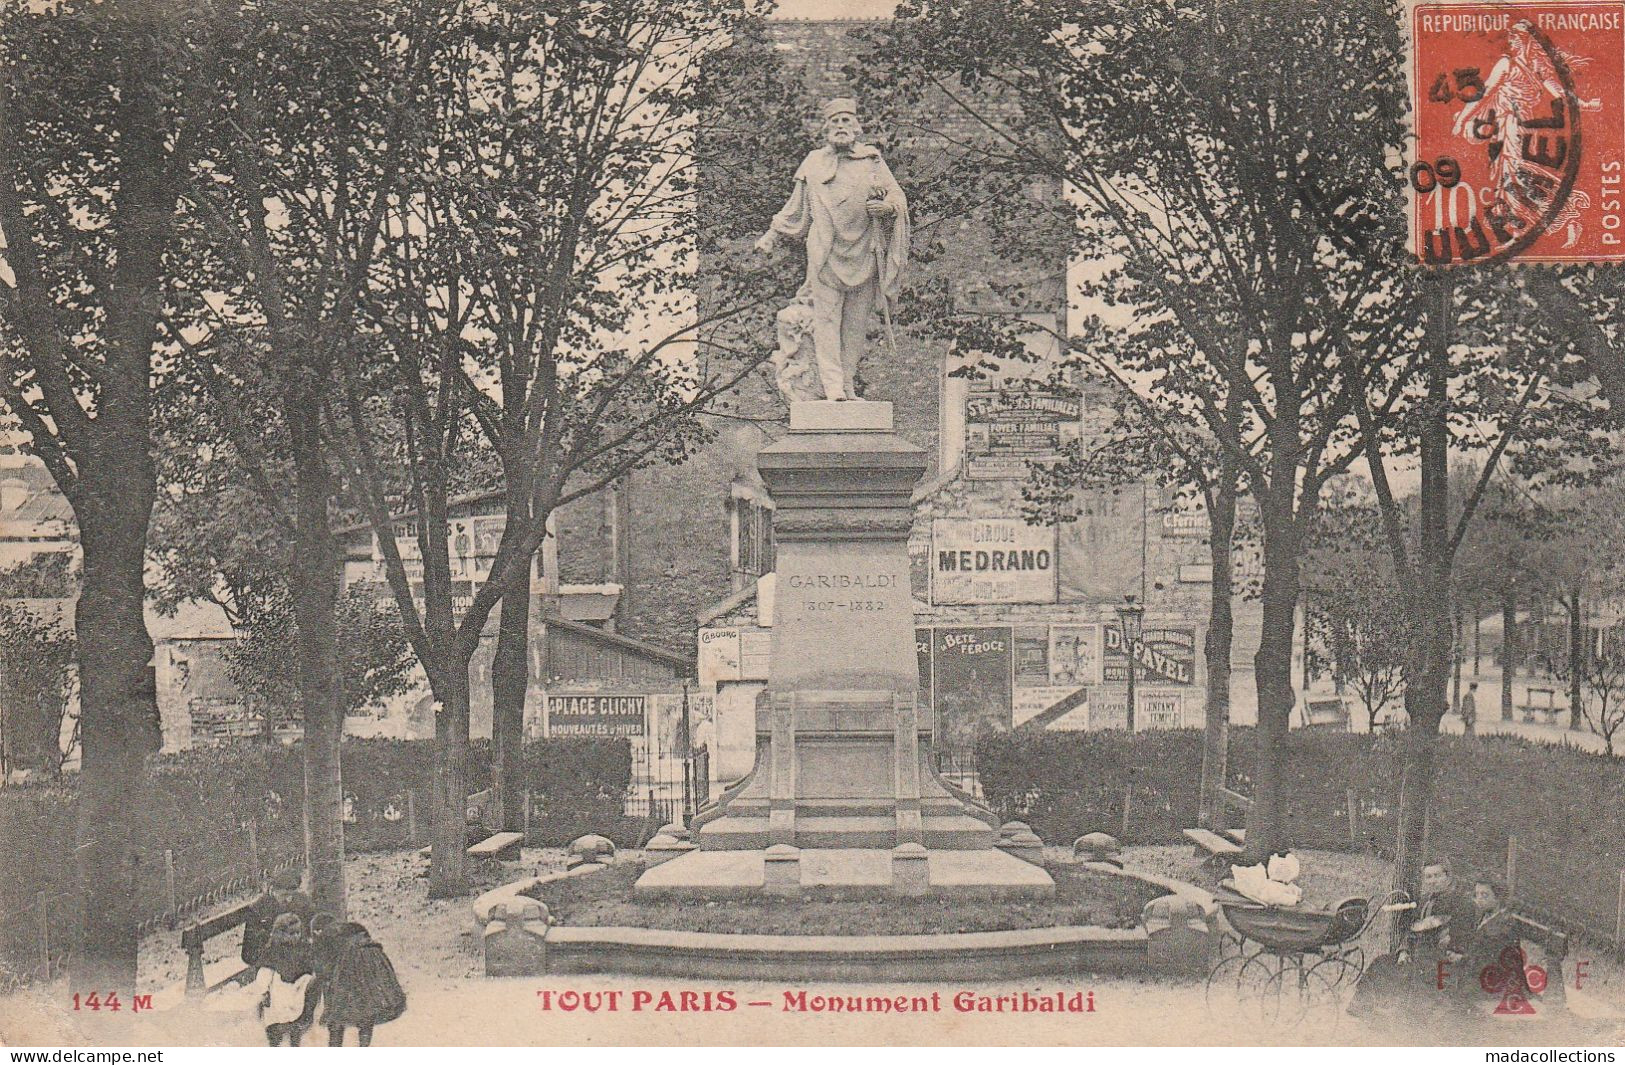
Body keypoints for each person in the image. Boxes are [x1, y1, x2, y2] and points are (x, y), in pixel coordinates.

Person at [755, 97, 910, 402]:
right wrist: (771, 234)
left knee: (854, 324)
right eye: (835, 122)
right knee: (826, 320)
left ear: (856, 127)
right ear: (826, 128)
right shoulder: (812, 163)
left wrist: (887, 207)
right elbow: (795, 208)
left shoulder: (873, 161)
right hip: (825, 252)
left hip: (865, 252)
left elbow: (898, 197)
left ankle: (848, 384)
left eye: (846, 121)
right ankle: (832, 386)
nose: (841, 127)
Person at [1348, 857, 1477, 1016]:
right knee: (1382, 963)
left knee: (1417, 973)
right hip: (1416, 955)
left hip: (1441, 958)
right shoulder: (1423, 901)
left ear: (1448, 876)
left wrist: (1451, 951)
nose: (1432, 881)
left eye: (1437, 876)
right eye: (1428, 877)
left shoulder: (1462, 903)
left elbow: (1462, 935)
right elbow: (1411, 931)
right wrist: (1403, 951)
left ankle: (1398, 1015)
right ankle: (1364, 1008)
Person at [322, 921, 407, 1047]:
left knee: (339, 1015)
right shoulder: (365, 944)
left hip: (350, 963)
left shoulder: (332, 942)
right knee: (366, 1011)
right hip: (366, 959)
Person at [1458, 877, 1529, 1013]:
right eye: (1477, 894)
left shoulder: (1502, 926)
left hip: (1497, 984)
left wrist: (1462, 958)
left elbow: (1490, 961)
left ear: (1498, 898)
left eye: (1485, 895)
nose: (1479, 899)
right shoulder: (1486, 916)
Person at [253, 913, 319, 1046]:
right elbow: (265, 971)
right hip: (280, 988)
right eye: (291, 933)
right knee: (277, 1018)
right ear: (281, 934)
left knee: (311, 985)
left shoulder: (303, 947)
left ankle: (298, 1033)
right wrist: (264, 990)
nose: (296, 936)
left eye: (298, 932)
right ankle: (275, 1041)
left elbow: (311, 964)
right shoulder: (274, 950)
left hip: (298, 986)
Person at [242, 868, 315, 969]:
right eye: (284, 895)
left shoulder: (301, 902)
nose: (288, 900)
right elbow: (248, 955)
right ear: (273, 891)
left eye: (291, 895)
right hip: (270, 966)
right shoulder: (258, 910)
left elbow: (311, 932)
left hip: (299, 963)